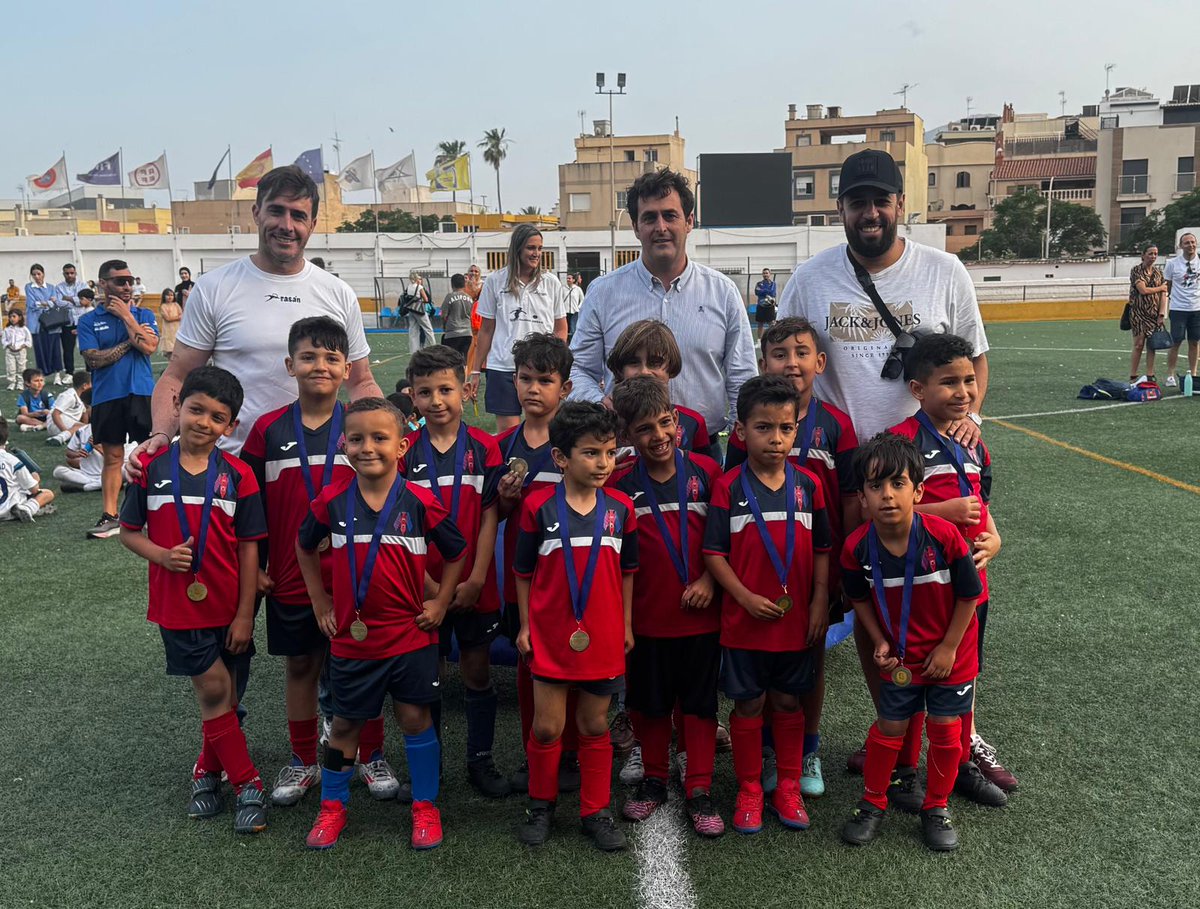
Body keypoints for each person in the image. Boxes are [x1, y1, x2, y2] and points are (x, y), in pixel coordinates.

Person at [775, 147, 992, 776]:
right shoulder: (810, 279)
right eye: (856, 202)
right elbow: (790, 358)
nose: (869, 213)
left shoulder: (945, 270)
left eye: (881, 201)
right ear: (840, 209)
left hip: (929, 466)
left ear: (900, 205)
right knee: (874, 603)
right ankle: (895, 737)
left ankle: (959, 739)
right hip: (848, 474)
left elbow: (975, 358)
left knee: (955, 596)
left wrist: (970, 421)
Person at [296, 397, 467, 851]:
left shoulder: (420, 501)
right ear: (343, 445)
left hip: (410, 636)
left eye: (379, 438)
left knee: (415, 719)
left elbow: (456, 552)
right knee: (347, 725)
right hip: (355, 642)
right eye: (356, 438)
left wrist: (442, 601)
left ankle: (425, 807)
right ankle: (332, 809)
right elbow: (303, 546)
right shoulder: (331, 501)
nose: (366, 447)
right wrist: (319, 599)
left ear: (402, 446)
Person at [133, 166, 381, 471]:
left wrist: (383, 436)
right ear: (256, 213)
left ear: (313, 224)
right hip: (236, 469)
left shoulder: (338, 293)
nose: (286, 226)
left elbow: (361, 381)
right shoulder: (215, 287)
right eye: (276, 211)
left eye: (298, 216)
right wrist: (161, 433)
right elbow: (177, 375)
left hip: (322, 470)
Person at [117, 366, 269, 834]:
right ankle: (248, 783)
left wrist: (245, 615)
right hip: (178, 609)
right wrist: (162, 555)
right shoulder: (148, 468)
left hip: (229, 608)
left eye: (217, 417)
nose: (204, 422)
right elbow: (127, 533)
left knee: (228, 695)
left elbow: (249, 550)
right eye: (196, 409)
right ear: (178, 405)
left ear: (231, 426)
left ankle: (207, 772)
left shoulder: (239, 476)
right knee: (213, 690)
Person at [239, 317, 372, 808]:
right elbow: (249, 504)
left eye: (332, 358)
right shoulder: (268, 429)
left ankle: (369, 753)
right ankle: (302, 760)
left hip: (357, 573)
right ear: (289, 364)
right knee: (301, 665)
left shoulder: (360, 425)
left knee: (362, 661)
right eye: (310, 357)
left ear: (347, 369)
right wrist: (257, 567)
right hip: (292, 575)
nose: (320, 366)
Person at [725, 317, 859, 799]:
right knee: (761, 664)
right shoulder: (745, 431)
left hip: (813, 567)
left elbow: (848, 500)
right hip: (757, 572)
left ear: (820, 363)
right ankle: (765, 753)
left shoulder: (836, 426)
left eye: (802, 352)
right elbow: (728, 493)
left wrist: (841, 568)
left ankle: (807, 747)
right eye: (780, 354)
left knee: (812, 654)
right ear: (764, 363)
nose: (792, 362)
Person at [838, 434, 983, 852]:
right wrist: (881, 639)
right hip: (902, 656)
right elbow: (860, 598)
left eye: (897, 484)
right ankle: (872, 801)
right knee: (891, 726)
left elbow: (968, 594)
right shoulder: (856, 548)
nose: (887, 495)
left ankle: (936, 807)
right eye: (875, 486)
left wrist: (948, 647)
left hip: (949, 654)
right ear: (862, 496)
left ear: (918, 491)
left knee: (943, 728)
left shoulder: (944, 536)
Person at [885, 333, 1011, 807]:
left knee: (960, 677)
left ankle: (956, 765)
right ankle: (905, 771)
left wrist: (995, 536)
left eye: (968, 381)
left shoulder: (973, 440)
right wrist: (942, 512)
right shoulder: (901, 441)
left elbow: (980, 503)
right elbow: (884, 510)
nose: (964, 392)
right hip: (919, 590)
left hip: (970, 587)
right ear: (918, 389)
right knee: (916, 678)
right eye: (949, 383)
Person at [702, 376, 831, 834]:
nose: (776, 439)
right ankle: (751, 788)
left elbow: (821, 550)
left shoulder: (810, 486)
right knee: (750, 704)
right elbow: (714, 553)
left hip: (796, 622)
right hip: (744, 622)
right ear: (740, 431)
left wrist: (819, 602)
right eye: (763, 428)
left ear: (796, 429)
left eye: (786, 428)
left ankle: (789, 786)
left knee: (787, 700)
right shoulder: (727, 486)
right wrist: (745, 597)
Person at [512, 402, 637, 851]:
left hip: (602, 637)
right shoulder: (537, 508)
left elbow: (627, 572)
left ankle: (595, 811)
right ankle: (541, 805)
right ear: (561, 457)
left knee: (594, 724)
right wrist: (525, 625)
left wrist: (625, 624)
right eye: (590, 453)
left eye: (608, 452)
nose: (603, 463)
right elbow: (523, 572)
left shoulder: (622, 509)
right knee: (548, 727)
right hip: (549, 635)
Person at [609, 377, 725, 838]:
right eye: (643, 429)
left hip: (700, 618)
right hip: (646, 622)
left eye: (664, 423)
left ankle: (699, 787)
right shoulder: (619, 484)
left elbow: (725, 540)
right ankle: (655, 779)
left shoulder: (707, 474)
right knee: (648, 705)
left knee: (698, 705)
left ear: (678, 421)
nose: (658, 436)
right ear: (627, 436)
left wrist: (708, 580)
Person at [570, 169, 757, 441]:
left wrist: (740, 438)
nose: (661, 227)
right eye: (649, 218)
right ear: (635, 227)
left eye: (670, 215)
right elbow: (578, 369)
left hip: (702, 450)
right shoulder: (603, 292)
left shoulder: (722, 292)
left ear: (689, 221)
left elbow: (742, 377)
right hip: (625, 449)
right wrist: (601, 404)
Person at [402, 345, 507, 797]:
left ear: (466, 391)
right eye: (425, 392)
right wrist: (430, 586)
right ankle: (433, 768)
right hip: (422, 586)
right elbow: (398, 522)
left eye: (446, 389)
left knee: (477, 671)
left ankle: (480, 761)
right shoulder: (403, 450)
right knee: (430, 676)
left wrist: (478, 577)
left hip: (474, 586)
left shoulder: (485, 448)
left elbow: (488, 519)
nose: (437, 400)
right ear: (412, 397)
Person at [493, 334, 575, 792]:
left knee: (577, 668)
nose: (533, 389)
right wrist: (505, 501)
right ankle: (535, 749)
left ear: (564, 388)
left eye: (545, 380)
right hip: (522, 585)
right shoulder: (502, 447)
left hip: (576, 580)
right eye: (526, 378)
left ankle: (574, 751)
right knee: (530, 667)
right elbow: (496, 516)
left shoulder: (580, 439)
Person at [77, 259, 160, 540]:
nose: (127, 286)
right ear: (103, 284)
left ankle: (156, 511)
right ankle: (111, 516)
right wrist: (129, 343)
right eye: (120, 281)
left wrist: (127, 316)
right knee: (112, 457)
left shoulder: (144, 314)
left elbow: (149, 347)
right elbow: (93, 360)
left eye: (130, 281)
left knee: (151, 454)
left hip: (141, 392)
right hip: (107, 396)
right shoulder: (88, 320)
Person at [467, 224, 568, 432]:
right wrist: (475, 370)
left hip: (541, 368)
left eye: (540, 248)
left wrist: (556, 362)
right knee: (508, 434)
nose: (537, 253)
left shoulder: (551, 283)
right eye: (531, 248)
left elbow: (560, 328)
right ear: (518, 249)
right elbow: (486, 330)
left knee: (545, 430)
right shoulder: (495, 281)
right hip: (503, 366)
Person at [605, 319, 717, 463]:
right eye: (634, 362)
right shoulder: (602, 424)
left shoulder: (693, 422)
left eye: (655, 363)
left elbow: (706, 475)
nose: (644, 372)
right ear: (619, 370)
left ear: (671, 367)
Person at [1163, 233, 1200, 391]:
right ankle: (1170, 375)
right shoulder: (1172, 263)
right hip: (1178, 309)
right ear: (1180, 245)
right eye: (1187, 243)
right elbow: (1167, 287)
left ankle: (1193, 373)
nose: (1190, 245)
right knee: (1176, 341)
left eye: (1193, 242)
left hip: (1197, 309)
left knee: (1194, 342)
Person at [0, 417, 55, 522]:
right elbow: (33, 489)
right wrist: (35, 477)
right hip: (8, 510)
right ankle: (27, 508)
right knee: (47, 493)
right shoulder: (13, 461)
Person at [24, 264, 58, 379]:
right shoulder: (29, 287)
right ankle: (42, 373)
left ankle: (57, 373)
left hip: (51, 321)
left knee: (54, 347)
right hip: (36, 322)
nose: (37, 277)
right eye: (34, 274)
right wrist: (47, 302)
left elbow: (54, 303)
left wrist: (45, 303)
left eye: (38, 274)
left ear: (43, 273)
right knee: (39, 348)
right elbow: (32, 304)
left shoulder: (51, 287)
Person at [55, 263, 88, 378]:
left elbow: (86, 300)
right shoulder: (59, 287)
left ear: (75, 273)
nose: (69, 275)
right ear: (63, 274)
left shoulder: (83, 285)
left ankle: (89, 371)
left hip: (82, 320)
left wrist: (68, 298)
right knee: (67, 349)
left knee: (86, 347)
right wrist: (77, 300)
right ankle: (69, 373)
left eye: (72, 273)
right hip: (67, 321)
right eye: (67, 273)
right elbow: (59, 302)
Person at [45, 370, 91, 446]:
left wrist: (84, 429)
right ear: (85, 385)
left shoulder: (82, 397)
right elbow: (55, 414)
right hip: (56, 424)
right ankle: (61, 437)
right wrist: (65, 432)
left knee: (88, 429)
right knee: (89, 429)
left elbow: (84, 414)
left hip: (68, 424)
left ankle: (57, 438)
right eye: (91, 384)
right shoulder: (69, 395)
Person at [439, 273, 474, 360]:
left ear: (452, 284)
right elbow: (471, 315)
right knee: (464, 359)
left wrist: (444, 326)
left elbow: (443, 315)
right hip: (467, 333)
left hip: (452, 332)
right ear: (464, 284)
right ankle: (464, 373)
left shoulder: (449, 297)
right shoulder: (469, 298)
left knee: (451, 359)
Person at [401, 273, 436, 354]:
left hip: (411, 310)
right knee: (428, 329)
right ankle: (432, 346)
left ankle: (414, 351)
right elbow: (426, 299)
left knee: (413, 330)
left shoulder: (409, 287)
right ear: (416, 279)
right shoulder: (419, 287)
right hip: (419, 310)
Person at [15, 367, 53, 432]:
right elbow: (25, 414)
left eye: (41, 380)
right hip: (32, 418)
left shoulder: (47, 395)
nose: (40, 383)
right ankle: (43, 426)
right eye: (36, 381)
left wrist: (48, 412)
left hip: (46, 418)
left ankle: (39, 426)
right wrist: (38, 413)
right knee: (20, 418)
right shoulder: (23, 396)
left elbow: (54, 411)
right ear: (27, 383)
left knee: (58, 416)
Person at [4, 308, 33, 391]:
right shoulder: (7, 329)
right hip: (10, 352)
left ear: (20, 317)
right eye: (10, 317)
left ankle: (20, 383)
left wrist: (23, 346)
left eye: (14, 316)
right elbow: (4, 340)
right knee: (10, 367)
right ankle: (12, 382)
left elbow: (28, 340)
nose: (12, 319)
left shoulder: (24, 329)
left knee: (21, 367)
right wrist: (8, 346)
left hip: (21, 352)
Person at [158, 289, 183, 359]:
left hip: (177, 330)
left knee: (178, 350)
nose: (170, 297)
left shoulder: (176, 305)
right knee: (170, 352)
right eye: (168, 295)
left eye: (171, 295)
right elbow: (168, 318)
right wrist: (178, 317)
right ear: (164, 296)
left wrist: (178, 317)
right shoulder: (163, 306)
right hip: (168, 332)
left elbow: (182, 315)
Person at [754, 268, 778, 338]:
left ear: (769, 274)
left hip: (770, 306)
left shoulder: (773, 284)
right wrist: (767, 292)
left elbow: (772, 293)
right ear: (762, 274)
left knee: (771, 323)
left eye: (766, 273)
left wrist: (763, 291)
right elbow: (757, 292)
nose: (765, 275)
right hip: (760, 306)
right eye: (764, 273)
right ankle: (759, 341)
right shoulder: (759, 284)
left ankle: (773, 338)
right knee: (760, 324)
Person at [564, 273, 584, 339]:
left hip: (574, 312)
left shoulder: (578, 289)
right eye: (567, 278)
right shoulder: (563, 288)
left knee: (573, 329)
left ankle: (573, 344)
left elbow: (582, 300)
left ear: (573, 280)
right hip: (565, 312)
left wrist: (578, 307)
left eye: (569, 278)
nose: (568, 280)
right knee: (565, 328)